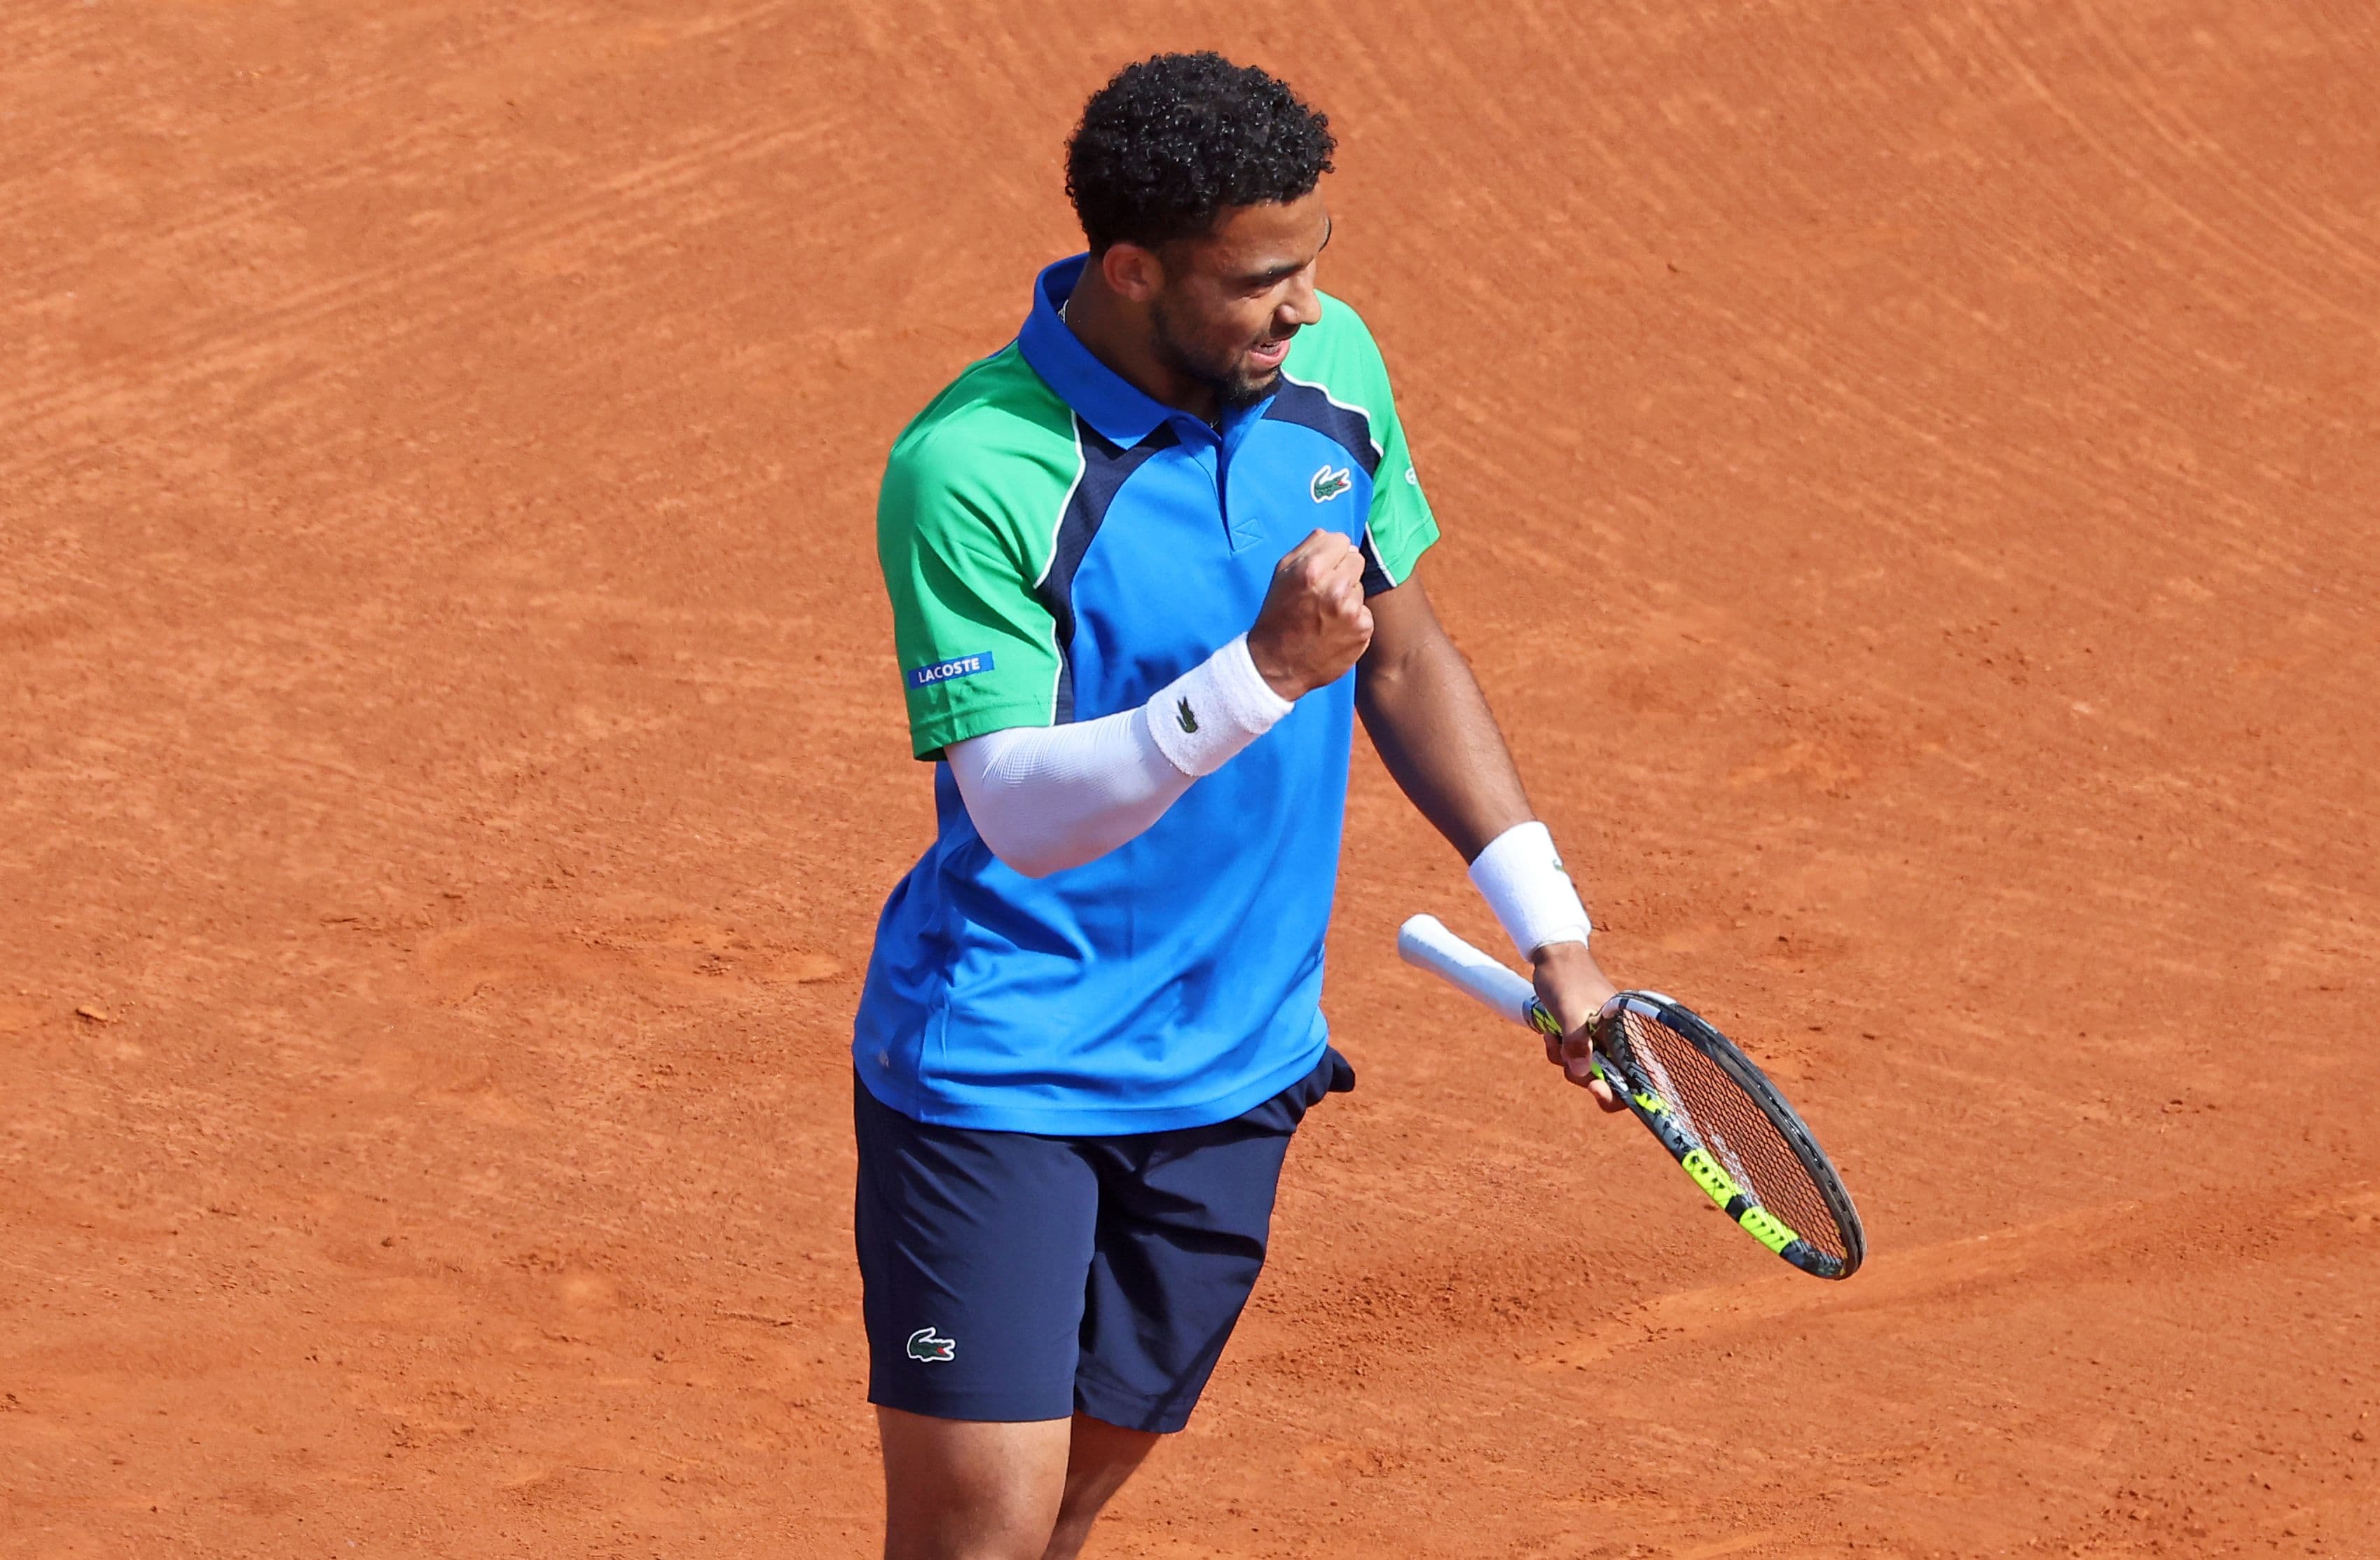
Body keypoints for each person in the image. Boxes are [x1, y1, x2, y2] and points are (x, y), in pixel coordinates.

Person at [852, 51, 1622, 1560]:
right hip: (1007, 1064)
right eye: (1263, 279)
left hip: (1235, 1063)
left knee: (1069, 1506)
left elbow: (1398, 651)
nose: (1305, 310)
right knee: (976, 1542)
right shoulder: (972, 469)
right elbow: (1015, 810)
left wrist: (1554, 934)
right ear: (1131, 270)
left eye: (1313, 265)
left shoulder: (1327, 383)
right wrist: (1259, 677)